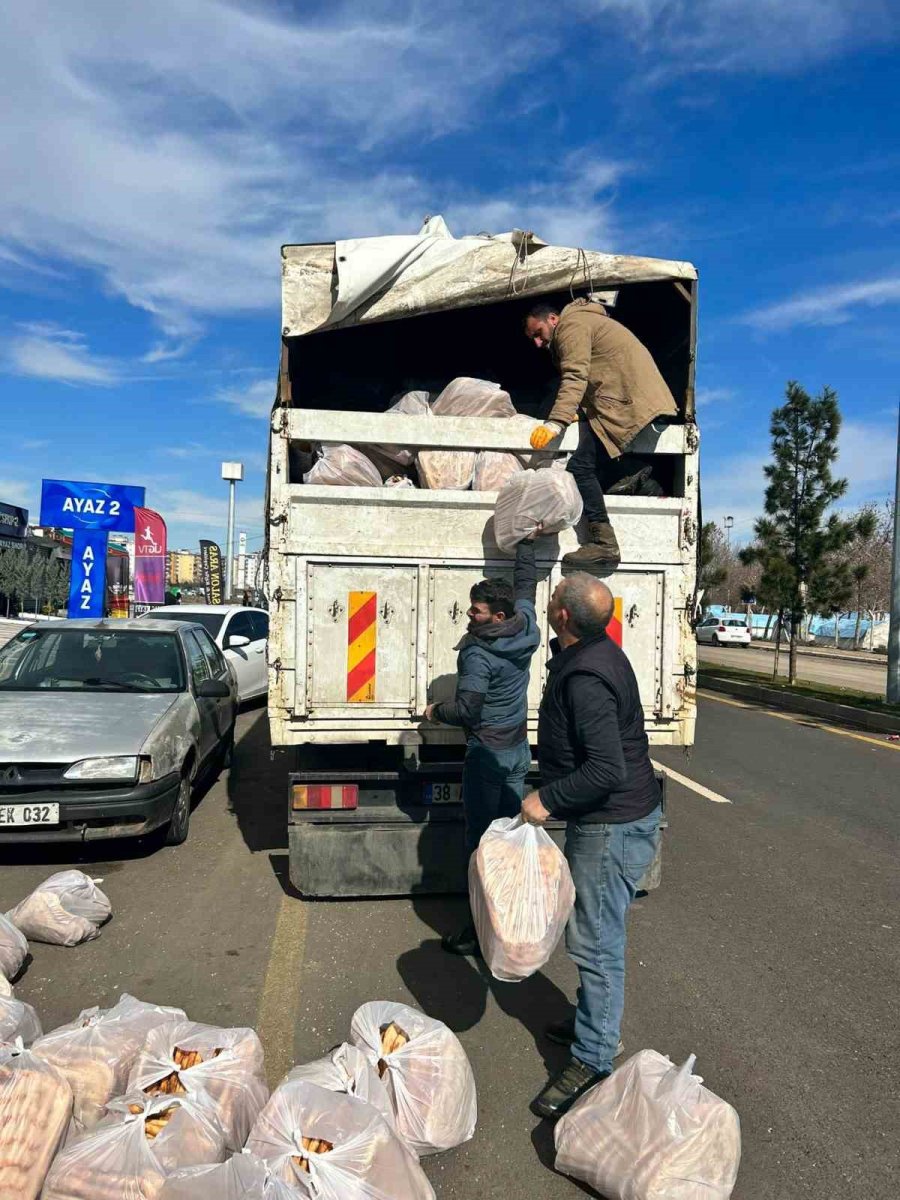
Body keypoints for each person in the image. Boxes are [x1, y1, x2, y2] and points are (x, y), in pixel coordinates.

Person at [521, 571, 662, 1120]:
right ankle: (593, 1022)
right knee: (597, 935)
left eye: (554, 596)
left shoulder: (585, 676)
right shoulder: (598, 651)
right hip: (619, 817)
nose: (551, 598)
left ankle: (595, 1056)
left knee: (596, 944)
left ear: (562, 616)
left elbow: (607, 768)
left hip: (611, 826)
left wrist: (547, 800)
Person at [425, 532, 542, 956]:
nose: (469, 614)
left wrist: (436, 712)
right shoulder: (526, 626)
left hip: (487, 755)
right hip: (517, 752)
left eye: (476, 610)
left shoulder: (478, 654)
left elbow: (468, 711)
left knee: (481, 844)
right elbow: (526, 587)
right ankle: (514, 917)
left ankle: (480, 930)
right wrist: (527, 543)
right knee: (510, 839)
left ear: (496, 617)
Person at [524, 299, 678, 570]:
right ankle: (639, 479)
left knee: (581, 468)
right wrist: (580, 413)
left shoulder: (572, 325)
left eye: (538, 333)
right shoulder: (585, 322)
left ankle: (605, 544)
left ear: (552, 319)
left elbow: (576, 376)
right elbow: (596, 374)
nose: (537, 343)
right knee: (596, 464)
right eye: (532, 339)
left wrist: (556, 422)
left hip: (628, 403)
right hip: (627, 400)